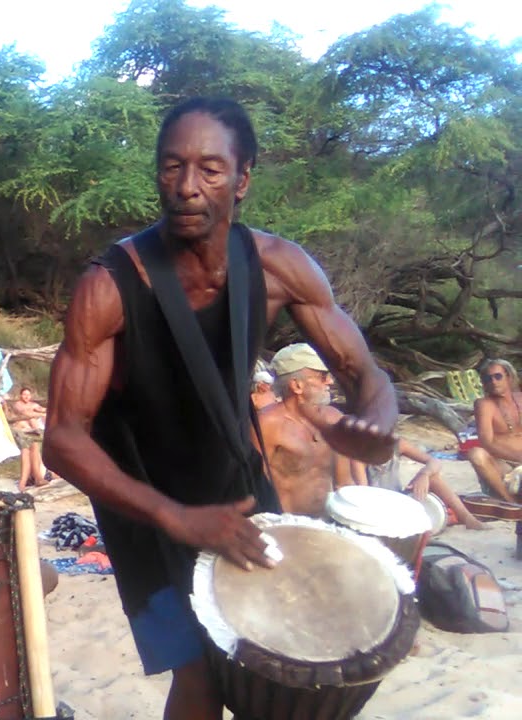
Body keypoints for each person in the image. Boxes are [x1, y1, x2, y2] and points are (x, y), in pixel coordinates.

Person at [41, 97, 398, 720]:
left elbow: (364, 372)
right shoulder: (110, 284)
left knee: (271, 656)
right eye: (171, 166)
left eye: (209, 168)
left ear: (244, 178)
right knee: (202, 676)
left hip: (234, 480)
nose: (186, 186)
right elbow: (63, 439)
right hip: (143, 500)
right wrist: (174, 516)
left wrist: (376, 425)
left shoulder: (280, 266)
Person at [256, 344, 354, 517]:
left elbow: (344, 482)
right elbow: (255, 485)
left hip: (325, 522)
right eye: (322, 376)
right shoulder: (267, 424)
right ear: (297, 385)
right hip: (283, 524)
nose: (330, 381)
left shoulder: (334, 419)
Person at [356, 438, 486, 530]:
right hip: (378, 508)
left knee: (432, 477)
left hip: (400, 498)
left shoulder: (397, 444)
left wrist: (424, 474)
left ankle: (467, 518)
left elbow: (434, 461)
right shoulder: (359, 454)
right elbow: (364, 492)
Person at [466, 359, 522, 502]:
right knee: (476, 454)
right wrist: (518, 457)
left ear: (508, 377)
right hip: (503, 463)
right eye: (488, 378)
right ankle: (510, 502)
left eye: (498, 376)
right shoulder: (484, 405)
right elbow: (487, 442)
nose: (493, 382)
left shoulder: (520, 398)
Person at [10, 387, 49, 491]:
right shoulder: (18, 404)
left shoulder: (33, 405)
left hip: (30, 432)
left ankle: (37, 478)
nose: (26, 397)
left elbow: (42, 409)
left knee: (34, 450)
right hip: (21, 431)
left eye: (28, 395)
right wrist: (40, 414)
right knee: (26, 452)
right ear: (20, 395)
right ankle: (26, 482)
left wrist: (45, 411)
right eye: (24, 394)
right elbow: (25, 413)